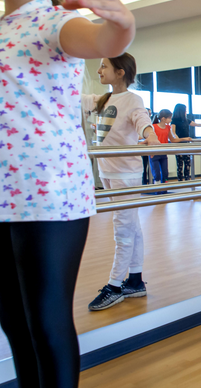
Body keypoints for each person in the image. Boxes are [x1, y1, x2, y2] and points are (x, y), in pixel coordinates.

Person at [0, 0, 135, 386]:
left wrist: (122, 27)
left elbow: (100, 39)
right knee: (13, 322)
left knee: (46, 321)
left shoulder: (54, 22)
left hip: (47, 196)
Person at [82, 54, 159, 311]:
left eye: (104, 66)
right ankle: (135, 280)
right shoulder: (102, 99)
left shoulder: (133, 99)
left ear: (120, 72)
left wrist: (150, 136)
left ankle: (115, 285)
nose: (99, 69)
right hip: (109, 174)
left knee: (122, 229)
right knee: (132, 226)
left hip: (126, 176)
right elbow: (72, 100)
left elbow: (142, 121)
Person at [150, 109, 178, 194]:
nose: (170, 120)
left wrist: (185, 139)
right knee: (156, 174)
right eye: (169, 118)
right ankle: (157, 190)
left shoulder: (168, 127)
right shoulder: (153, 127)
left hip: (163, 153)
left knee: (165, 172)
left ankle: (164, 190)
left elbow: (172, 139)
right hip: (154, 153)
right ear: (163, 118)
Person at [171, 103, 199, 182]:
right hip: (179, 144)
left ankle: (187, 180)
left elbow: (196, 124)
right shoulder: (174, 120)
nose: (186, 111)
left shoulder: (186, 120)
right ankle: (180, 180)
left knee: (187, 163)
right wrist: (177, 140)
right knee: (180, 164)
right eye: (185, 110)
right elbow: (173, 132)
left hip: (187, 144)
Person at [142, 108, 153, 185]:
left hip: (150, 147)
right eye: (148, 113)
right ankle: (144, 182)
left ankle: (150, 182)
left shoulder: (151, 124)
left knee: (151, 166)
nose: (149, 115)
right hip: (142, 148)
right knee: (144, 166)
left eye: (150, 113)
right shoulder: (141, 124)